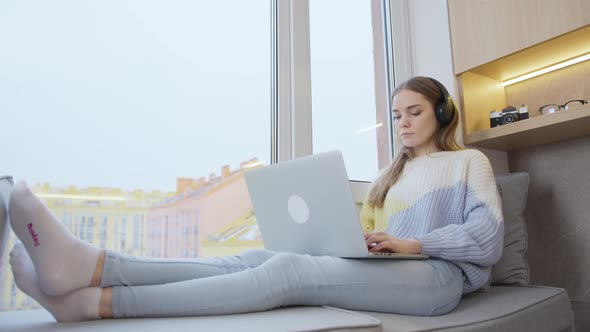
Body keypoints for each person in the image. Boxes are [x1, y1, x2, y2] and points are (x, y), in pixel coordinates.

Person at [6, 76, 504, 322]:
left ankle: (101, 304)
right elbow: (371, 242)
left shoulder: (468, 163)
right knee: (253, 258)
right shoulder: (390, 176)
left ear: (442, 111)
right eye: (396, 115)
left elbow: (487, 238)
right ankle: (93, 268)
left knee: (287, 273)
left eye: (414, 112)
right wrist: (359, 242)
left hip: (441, 280)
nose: (403, 123)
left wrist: (411, 244)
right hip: (395, 271)